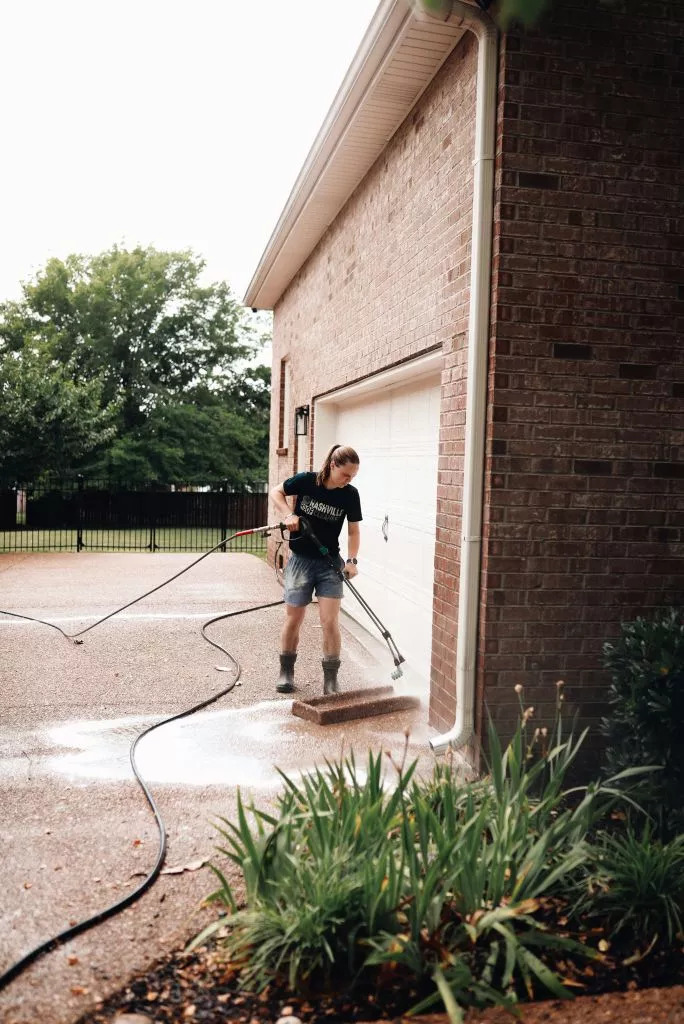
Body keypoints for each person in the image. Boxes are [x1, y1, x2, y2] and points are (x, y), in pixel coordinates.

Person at [269, 444, 361, 695]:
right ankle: (286, 672)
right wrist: (289, 514)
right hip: (300, 561)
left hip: (329, 562)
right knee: (294, 618)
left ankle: (330, 679)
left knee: (330, 621)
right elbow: (276, 492)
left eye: (353, 476)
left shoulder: (350, 495)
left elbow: (353, 530)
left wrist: (352, 561)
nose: (348, 480)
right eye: (345, 474)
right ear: (333, 465)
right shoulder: (307, 481)